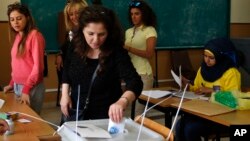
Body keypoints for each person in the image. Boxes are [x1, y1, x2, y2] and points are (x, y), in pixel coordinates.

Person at [60, 5, 143, 123]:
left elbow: (135, 82)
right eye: (90, 34)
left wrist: (122, 101)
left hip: (104, 118)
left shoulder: (116, 51)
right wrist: (64, 95)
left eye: (101, 34)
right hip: (75, 114)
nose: (95, 40)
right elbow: (67, 71)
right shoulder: (74, 46)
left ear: (109, 32)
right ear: (82, 29)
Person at [175, 37, 241, 141]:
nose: (207, 60)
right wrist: (187, 85)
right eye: (205, 56)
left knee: (190, 129)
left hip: (221, 116)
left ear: (220, 57)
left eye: (211, 57)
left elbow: (233, 98)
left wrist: (212, 90)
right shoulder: (203, 69)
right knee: (179, 126)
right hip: (202, 112)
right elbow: (197, 88)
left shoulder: (232, 72)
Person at [3, 2, 45, 114]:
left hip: (31, 87)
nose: (15, 22)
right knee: (21, 120)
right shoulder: (18, 36)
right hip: (17, 86)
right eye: (12, 19)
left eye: (19, 18)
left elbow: (38, 67)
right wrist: (12, 83)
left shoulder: (35, 36)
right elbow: (19, 65)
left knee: (31, 121)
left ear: (27, 18)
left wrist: (26, 89)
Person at [124, 0, 157, 90]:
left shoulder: (150, 30)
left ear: (144, 15)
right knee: (128, 103)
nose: (133, 17)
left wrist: (128, 48)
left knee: (140, 104)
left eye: (137, 14)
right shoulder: (128, 31)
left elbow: (149, 54)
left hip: (143, 74)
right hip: (130, 74)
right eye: (131, 14)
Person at [55, 0, 88, 73]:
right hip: (72, 69)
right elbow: (67, 45)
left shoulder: (90, 31)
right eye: (71, 14)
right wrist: (60, 54)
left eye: (77, 13)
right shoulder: (71, 31)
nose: (74, 17)